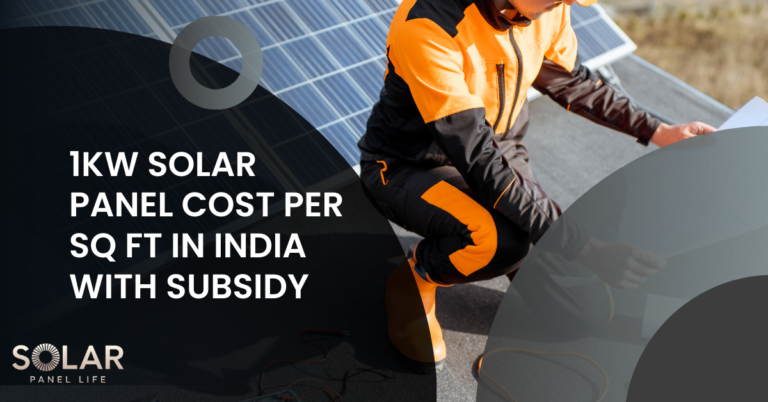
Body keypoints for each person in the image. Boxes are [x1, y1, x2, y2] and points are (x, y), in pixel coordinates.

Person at [357, 0, 715, 373]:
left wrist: (658, 130)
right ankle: (418, 275)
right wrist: (585, 248)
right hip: (409, 166)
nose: (561, 6)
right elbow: (477, 158)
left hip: (498, 152)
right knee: (500, 243)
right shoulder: (429, 25)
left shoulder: (548, 7)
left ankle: (505, 243)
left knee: (581, 314)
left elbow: (571, 82)